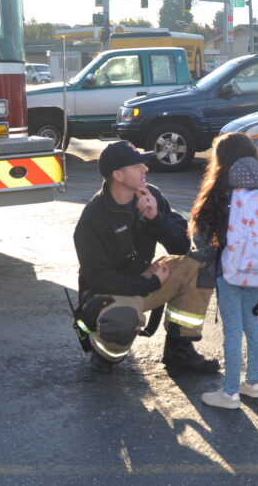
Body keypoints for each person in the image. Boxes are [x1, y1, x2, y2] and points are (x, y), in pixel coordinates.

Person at [73, 141, 219, 374]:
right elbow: (100, 278)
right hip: (108, 292)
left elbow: (182, 245)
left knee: (199, 264)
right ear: (118, 175)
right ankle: (107, 354)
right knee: (121, 320)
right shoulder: (94, 217)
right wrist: (150, 284)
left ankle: (179, 351)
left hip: (143, 279)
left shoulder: (152, 195)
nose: (145, 169)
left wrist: (155, 219)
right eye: (137, 166)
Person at [189, 133, 258, 409]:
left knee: (232, 330)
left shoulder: (224, 187)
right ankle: (253, 384)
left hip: (230, 267)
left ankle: (230, 392)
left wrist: (207, 259)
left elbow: (201, 232)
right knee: (251, 323)